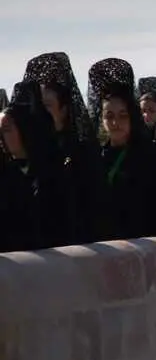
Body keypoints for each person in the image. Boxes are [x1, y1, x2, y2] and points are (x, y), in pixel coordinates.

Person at [87, 58, 156, 240]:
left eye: (122, 115)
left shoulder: (151, 153)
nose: (115, 123)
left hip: (145, 250)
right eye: (108, 116)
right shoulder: (97, 158)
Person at [23, 51, 102, 243]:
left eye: (48, 105)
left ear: (64, 110)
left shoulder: (83, 154)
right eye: (38, 105)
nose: (41, 112)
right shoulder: (25, 154)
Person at [0, 81, 75, 250]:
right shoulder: (6, 174)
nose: (1, 136)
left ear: (24, 129)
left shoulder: (54, 173)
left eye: (7, 129)